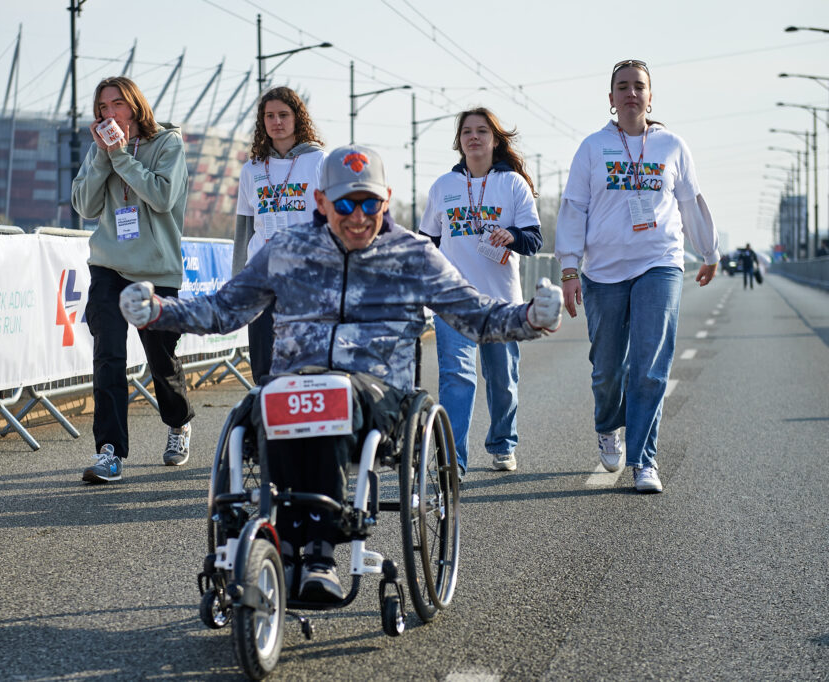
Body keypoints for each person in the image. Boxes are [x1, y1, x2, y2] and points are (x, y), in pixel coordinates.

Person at [120, 144, 564, 602]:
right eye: (345, 204)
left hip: (378, 395)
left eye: (369, 204)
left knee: (330, 395)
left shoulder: (412, 254)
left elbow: (476, 315)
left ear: (386, 200)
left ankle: (318, 553)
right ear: (321, 201)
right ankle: (269, 546)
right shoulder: (286, 250)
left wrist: (530, 317)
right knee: (266, 403)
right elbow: (222, 309)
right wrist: (159, 311)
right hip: (293, 381)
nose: (358, 217)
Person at [555, 59, 719, 494]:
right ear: (611, 98)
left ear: (650, 96)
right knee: (608, 369)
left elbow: (690, 202)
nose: (631, 93)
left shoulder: (672, 146)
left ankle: (645, 460)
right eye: (623, 87)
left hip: (659, 262)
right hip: (603, 271)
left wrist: (708, 251)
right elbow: (574, 208)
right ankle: (609, 425)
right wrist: (569, 268)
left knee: (650, 366)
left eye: (639, 86)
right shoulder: (593, 148)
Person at [71, 75, 194, 482]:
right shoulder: (99, 150)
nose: (109, 113)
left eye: (117, 104)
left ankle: (178, 422)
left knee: (162, 360)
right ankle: (109, 452)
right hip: (108, 265)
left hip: (156, 270)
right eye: (102, 108)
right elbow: (85, 206)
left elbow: (161, 197)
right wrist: (104, 157)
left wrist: (121, 156)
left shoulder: (168, 144)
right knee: (108, 357)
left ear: (135, 105)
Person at [420, 108, 542, 477]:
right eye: (467, 132)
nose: (474, 137)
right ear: (459, 141)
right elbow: (427, 242)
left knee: (502, 381)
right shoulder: (443, 186)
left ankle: (503, 443)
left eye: (482, 131)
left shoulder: (513, 184)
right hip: (453, 300)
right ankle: (453, 461)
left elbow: (533, 240)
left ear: (495, 140)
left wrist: (512, 236)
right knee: (457, 378)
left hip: (500, 303)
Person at [233, 87, 326, 382]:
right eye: (270, 116)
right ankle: (266, 410)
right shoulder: (252, 169)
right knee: (263, 364)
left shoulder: (319, 162)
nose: (277, 122)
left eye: (283, 115)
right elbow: (244, 228)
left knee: (305, 363)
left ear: (297, 118)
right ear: (262, 121)